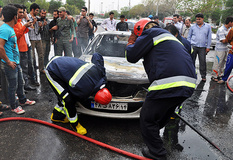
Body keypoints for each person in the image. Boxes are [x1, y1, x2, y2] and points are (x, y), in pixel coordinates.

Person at [125, 18, 196, 160]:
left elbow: (131, 57)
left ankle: (157, 153)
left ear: (140, 30)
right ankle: (155, 141)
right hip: (189, 83)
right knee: (161, 116)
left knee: (147, 119)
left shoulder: (150, 33)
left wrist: (131, 43)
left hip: (167, 83)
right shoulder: (169, 37)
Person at [45, 53, 112, 134]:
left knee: (64, 95)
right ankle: (74, 125)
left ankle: (56, 116)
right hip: (52, 70)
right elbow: (70, 101)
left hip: (60, 61)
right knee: (67, 99)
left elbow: (96, 55)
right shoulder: (84, 91)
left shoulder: (101, 73)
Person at [0, 5, 36, 114]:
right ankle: (14, 106)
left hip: (16, 62)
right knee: (13, 86)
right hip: (10, 64)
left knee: (20, 83)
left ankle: (23, 100)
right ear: (14, 17)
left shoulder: (10, 28)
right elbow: (0, 47)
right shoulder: (5, 29)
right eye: (17, 15)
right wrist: (9, 61)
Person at [13, 4, 36, 91]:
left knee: (24, 68)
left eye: (23, 12)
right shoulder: (14, 23)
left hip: (24, 47)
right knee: (20, 69)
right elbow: (17, 36)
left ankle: (25, 85)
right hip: (19, 49)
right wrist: (25, 26)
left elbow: (26, 31)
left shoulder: (20, 21)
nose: (22, 14)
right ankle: (21, 87)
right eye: (20, 12)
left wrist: (26, 25)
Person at [187, 13, 212, 82]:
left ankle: (203, 76)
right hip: (194, 46)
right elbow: (189, 37)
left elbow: (209, 37)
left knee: (202, 62)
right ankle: (191, 74)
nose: (198, 20)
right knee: (192, 61)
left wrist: (208, 47)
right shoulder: (193, 27)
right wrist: (189, 46)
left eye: (199, 19)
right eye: (197, 19)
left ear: (203, 19)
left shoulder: (208, 27)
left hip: (203, 47)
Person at [21, 5, 39, 86]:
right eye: (23, 12)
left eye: (24, 12)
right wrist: (27, 19)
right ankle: (26, 84)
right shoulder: (19, 23)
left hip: (27, 45)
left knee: (31, 64)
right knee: (25, 66)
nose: (24, 13)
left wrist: (28, 20)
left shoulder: (23, 22)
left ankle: (33, 80)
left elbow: (31, 27)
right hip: (22, 47)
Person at [211, 17, 233, 82]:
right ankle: (214, 76)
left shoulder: (229, 29)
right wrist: (230, 40)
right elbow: (223, 41)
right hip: (220, 49)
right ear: (230, 22)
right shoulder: (221, 29)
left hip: (226, 49)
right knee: (218, 62)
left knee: (223, 63)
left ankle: (219, 75)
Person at [28, 3, 45, 74]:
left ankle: (41, 69)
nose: (37, 12)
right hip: (31, 39)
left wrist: (41, 26)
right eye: (37, 11)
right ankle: (33, 70)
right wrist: (33, 23)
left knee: (41, 55)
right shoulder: (27, 17)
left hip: (38, 38)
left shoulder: (38, 18)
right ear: (32, 10)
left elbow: (40, 30)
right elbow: (27, 29)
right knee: (32, 56)